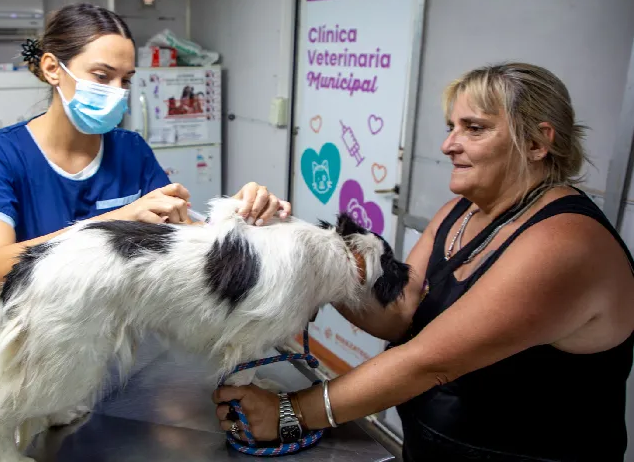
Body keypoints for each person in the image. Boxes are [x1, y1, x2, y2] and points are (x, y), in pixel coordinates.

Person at [212, 62, 634, 461]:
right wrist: (295, 249)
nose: (448, 145)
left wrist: (291, 413)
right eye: (451, 127)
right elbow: (398, 315)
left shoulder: (563, 243)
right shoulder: (459, 213)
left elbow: (429, 361)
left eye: (474, 129)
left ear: (537, 142)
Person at [0, 3, 291, 344]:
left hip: (111, 338)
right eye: (101, 76)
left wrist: (238, 215)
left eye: (125, 79)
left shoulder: (131, 150)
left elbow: (186, 237)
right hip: (26, 337)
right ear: (53, 68)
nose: (117, 91)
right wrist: (115, 221)